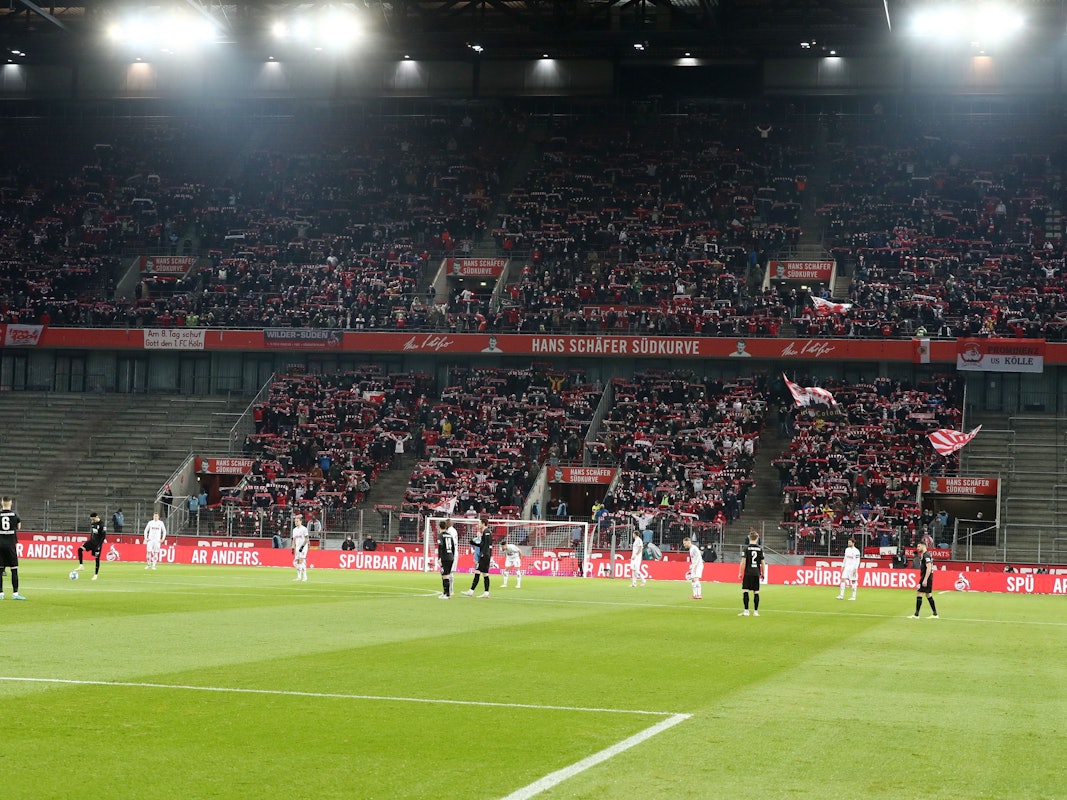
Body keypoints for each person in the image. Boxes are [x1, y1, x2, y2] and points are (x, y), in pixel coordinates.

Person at [0, 496, 26, 600]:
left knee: (0, 570)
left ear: (2, 503)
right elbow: (19, 526)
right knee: (14, 569)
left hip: (0, 545)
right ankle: (15, 593)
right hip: (10, 545)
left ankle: (0, 593)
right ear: (10, 503)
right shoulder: (14, 514)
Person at [462, 516, 493, 597]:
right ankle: (486, 593)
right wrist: (474, 543)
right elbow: (483, 544)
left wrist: (482, 554)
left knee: (477, 571)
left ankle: (471, 591)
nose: (479, 524)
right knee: (485, 574)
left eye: (480, 523)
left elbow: (485, 545)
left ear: (483, 523)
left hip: (484, 555)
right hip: (487, 555)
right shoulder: (487, 532)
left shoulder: (486, 532)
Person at [738, 530, 766, 616]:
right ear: (757, 538)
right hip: (756, 572)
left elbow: (743, 562)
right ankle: (756, 612)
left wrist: (740, 572)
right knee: (756, 592)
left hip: (748, 572)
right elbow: (763, 562)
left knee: (745, 590)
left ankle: (746, 611)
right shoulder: (760, 549)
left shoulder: (746, 548)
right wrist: (763, 573)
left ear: (749, 538)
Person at [912, 541, 939, 619]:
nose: (917, 548)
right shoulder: (924, 554)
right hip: (927, 577)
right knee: (928, 595)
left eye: (919, 546)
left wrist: (925, 579)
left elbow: (929, 567)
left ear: (923, 546)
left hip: (926, 577)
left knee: (919, 593)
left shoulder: (926, 555)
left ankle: (916, 615)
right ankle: (935, 614)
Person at [77, 512, 107, 580]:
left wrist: (99, 545)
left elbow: (103, 537)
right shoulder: (93, 523)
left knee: (97, 559)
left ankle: (95, 575)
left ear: (97, 517)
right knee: (80, 549)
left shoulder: (102, 525)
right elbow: (92, 533)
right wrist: (89, 541)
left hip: (97, 544)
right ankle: (81, 565)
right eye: (91, 519)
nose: (92, 520)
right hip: (91, 542)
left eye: (93, 519)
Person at [437, 518, 458, 598]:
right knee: (447, 574)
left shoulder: (441, 536)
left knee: (445, 575)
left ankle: (447, 594)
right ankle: (445, 593)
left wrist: (439, 558)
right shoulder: (449, 535)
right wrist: (452, 555)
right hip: (451, 557)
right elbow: (453, 547)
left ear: (440, 527)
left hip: (445, 557)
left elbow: (440, 546)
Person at [836, 536, 861, 600]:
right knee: (842, 580)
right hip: (846, 568)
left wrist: (855, 568)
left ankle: (853, 596)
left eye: (849, 542)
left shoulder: (856, 551)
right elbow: (845, 558)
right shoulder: (847, 549)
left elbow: (858, 561)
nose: (848, 543)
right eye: (848, 542)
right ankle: (841, 595)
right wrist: (842, 566)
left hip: (852, 568)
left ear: (853, 543)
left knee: (853, 581)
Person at [291, 513, 309, 582]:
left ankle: (305, 576)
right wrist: (293, 547)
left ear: (301, 521)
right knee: (297, 562)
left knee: (301, 560)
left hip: (303, 547)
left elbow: (307, 538)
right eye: (295, 521)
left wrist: (302, 546)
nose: (296, 522)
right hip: (297, 547)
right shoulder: (294, 530)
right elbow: (294, 539)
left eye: (297, 521)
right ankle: (298, 577)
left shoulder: (304, 529)